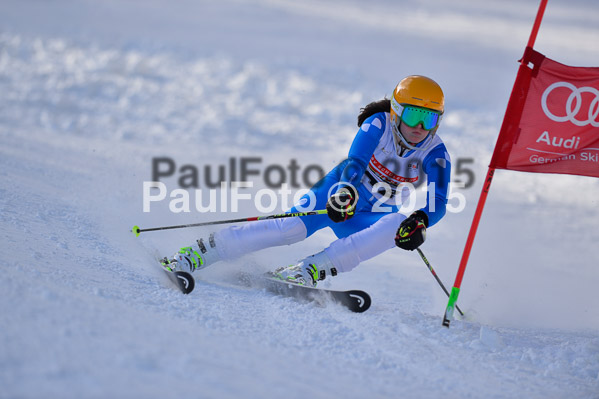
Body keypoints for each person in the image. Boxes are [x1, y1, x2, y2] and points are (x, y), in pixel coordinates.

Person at [161, 75, 451, 287]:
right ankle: (198, 252)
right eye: (414, 115)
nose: (419, 127)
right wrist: (344, 192)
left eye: (429, 118)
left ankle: (310, 270)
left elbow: (438, 202)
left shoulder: (435, 152)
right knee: (291, 228)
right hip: (339, 192)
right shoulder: (378, 124)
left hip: (374, 212)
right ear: (397, 111)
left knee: (396, 225)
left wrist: (421, 220)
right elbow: (355, 163)